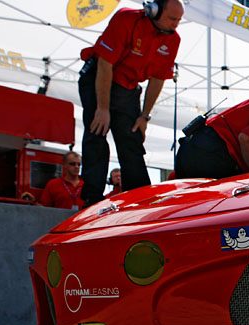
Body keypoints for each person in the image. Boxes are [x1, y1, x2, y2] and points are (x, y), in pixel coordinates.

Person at [78, 0, 184, 205]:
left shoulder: (173, 40)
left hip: (127, 88)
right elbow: (105, 64)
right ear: (154, 11)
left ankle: (140, 199)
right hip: (98, 77)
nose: (175, 24)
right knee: (97, 131)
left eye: (179, 20)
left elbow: (158, 79)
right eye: (172, 19)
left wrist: (144, 116)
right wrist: (102, 108)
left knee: (131, 139)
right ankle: (91, 199)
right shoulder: (126, 19)